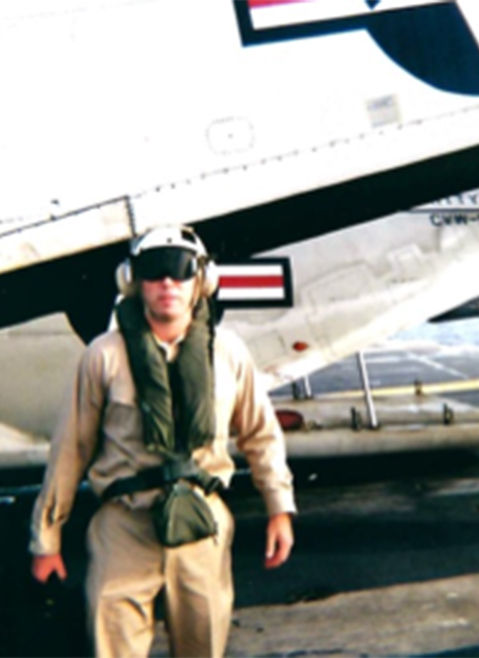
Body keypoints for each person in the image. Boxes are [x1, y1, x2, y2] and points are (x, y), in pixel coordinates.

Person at [29, 225, 296, 657]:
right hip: (124, 529)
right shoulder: (103, 355)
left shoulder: (228, 353)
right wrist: (47, 539)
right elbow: (70, 450)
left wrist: (279, 509)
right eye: (154, 270)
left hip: (202, 527)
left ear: (202, 280)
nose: (168, 282)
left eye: (181, 269)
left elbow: (260, 434)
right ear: (132, 281)